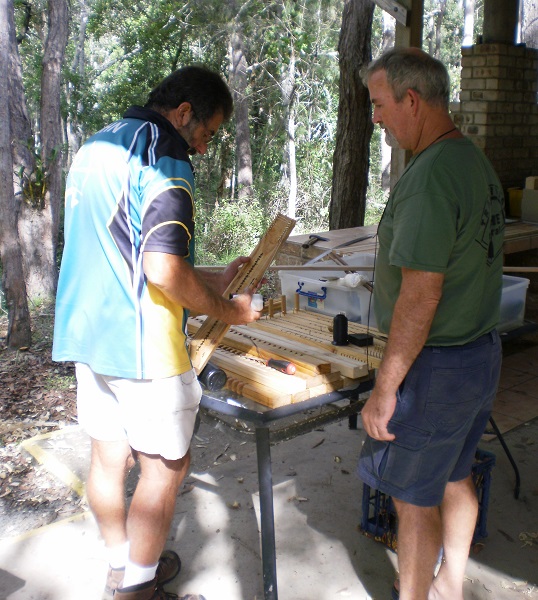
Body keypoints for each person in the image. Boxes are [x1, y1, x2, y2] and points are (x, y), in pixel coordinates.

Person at [53, 66, 262, 600]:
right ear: (184, 112)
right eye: (209, 132)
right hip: (142, 345)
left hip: (88, 333)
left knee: (106, 458)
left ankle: (122, 567)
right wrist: (229, 310)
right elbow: (162, 271)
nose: (205, 146)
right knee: (165, 467)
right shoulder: (164, 156)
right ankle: (138, 592)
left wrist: (213, 277)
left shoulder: (97, 147)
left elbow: (124, 247)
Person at [357, 48, 504, 600]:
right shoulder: (472, 160)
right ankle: (449, 585)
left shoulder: (430, 177)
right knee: (454, 476)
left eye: (379, 105)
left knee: (413, 498)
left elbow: (421, 294)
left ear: (411, 100)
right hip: (479, 355)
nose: (376, 119)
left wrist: (385, 388)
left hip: (437, 366)